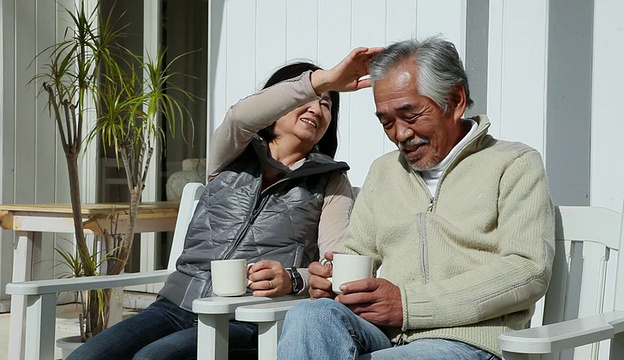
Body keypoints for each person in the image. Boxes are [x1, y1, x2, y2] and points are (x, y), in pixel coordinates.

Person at [67, 46, 383, 360]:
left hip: (251, 317)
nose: (317, 108)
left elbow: (333, 264)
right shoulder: (233, 152)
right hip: (175, 305)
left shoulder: (331, 179)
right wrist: (324, 80)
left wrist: (293, 278)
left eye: (327, 105)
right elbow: (240, 116)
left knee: (153, 358)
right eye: (307, 98)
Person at [277, 37, 556, 360]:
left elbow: (528, 270)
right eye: (386, 121)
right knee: (308, 316)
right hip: (386, 336)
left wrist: (409, 305)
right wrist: (330, 279)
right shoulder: (384, 172)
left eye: (410, 115)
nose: (400, 134)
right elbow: (353, 253)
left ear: (455, 100)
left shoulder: (513, 163)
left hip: (469, 342)